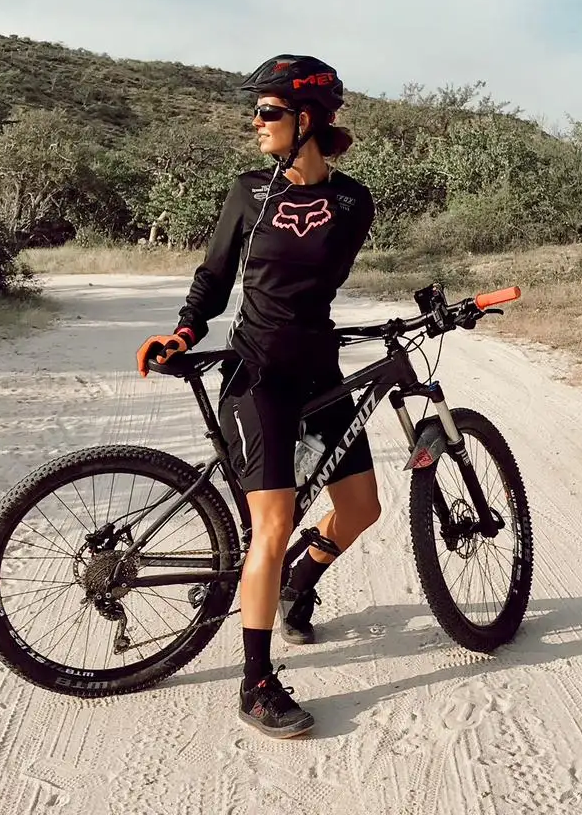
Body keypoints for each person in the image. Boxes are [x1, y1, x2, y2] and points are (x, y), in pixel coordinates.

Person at [137, 55, 379, 739]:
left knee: (361, 508)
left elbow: (315, 286)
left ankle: (297, 584)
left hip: (319, 371)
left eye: (268, 112)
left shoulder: (354, 202)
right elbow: (215, 276)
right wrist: (185, 330)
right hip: (258, 375)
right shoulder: (248, 192)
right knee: (272, 524)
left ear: (307, 119)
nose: (256, 123)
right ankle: (256, 684)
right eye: (258, 112)